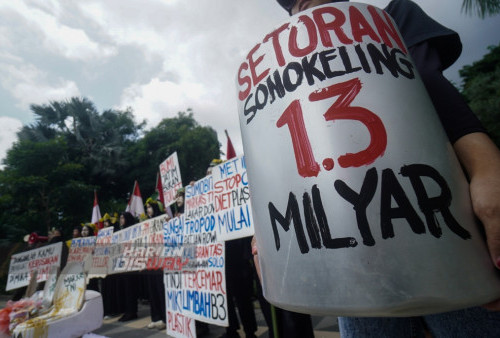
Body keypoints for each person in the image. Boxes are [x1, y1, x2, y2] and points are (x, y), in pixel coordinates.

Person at [266, 0, 500, 336]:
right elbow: (278, 155)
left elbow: (434, 88)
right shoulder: (279, 70)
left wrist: (487, 167)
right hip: (355, 258)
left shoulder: (391, 19)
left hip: (441, 230)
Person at [144, 197, 167, 330]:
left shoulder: (163, 220)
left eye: (150, 207)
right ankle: (155, 317)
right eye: (146, 208)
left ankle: (164, 318)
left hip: (160, 260)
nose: (148, 210)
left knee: (160, 290)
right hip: (149, 261)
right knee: (152, 291)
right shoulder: (145, 224)